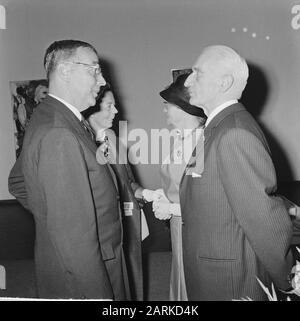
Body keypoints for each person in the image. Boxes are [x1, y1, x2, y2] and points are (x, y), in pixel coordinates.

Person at [8, 39, 129, 300]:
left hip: (89, 259)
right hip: (88, 273)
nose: (102, 80)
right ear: (64, 70)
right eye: (94, 70)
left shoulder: (52, 117)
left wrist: (54, 213)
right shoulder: (59, 132)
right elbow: (75, 241)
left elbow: (17, 180)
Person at [180, 45, 293, 300]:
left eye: (197, 73)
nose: (188, 80)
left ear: (224, 82)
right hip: (215, 268)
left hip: (232, 279)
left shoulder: (234, 133)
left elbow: (262, 216)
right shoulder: (219, 128)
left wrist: (288, 276)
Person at [84, 84, 156, 300]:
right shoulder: (79, 142)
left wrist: (145, 193)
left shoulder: (112, 138)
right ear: (90, 109)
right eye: (109, 106)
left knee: (133, 278)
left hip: (127, 221)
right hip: (101, 231)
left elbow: (127, 181)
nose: (116, 112)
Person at [153, 73, 206, 300]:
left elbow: (205, 199)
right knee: (181, 277)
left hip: (194, 226)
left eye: (168, 105)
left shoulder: (201, 143)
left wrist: (172, 208)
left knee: (193, 284)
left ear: (184, 108)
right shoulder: (183, 139)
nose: (164, 110)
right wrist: (163, 196)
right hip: (179, 225)